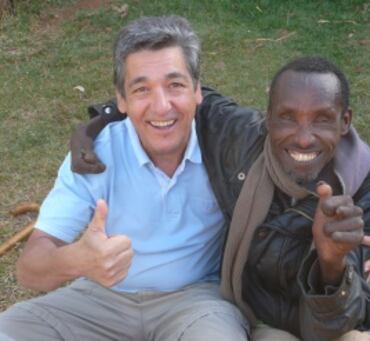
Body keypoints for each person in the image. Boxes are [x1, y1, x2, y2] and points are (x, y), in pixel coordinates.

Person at [70, 56, 370, 340]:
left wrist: (331, 263)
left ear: (345, 121)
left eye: (322, 120)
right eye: (287, 118)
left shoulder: (367, 195)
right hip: (243, 311)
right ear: (268, 117)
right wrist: (95, 129)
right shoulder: (241, 139)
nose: (303, 138)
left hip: (320, 327)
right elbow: (176, 101)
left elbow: (337, 325)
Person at [0, 16, 249, 341]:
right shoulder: (95, 154)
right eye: (142, 89)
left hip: (196, 301)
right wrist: (75, 260)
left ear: (197, 90)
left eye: (175, 85)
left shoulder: (225, 150)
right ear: (121, 99)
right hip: (100, 298)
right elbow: (29, 268)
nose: (162, 107)